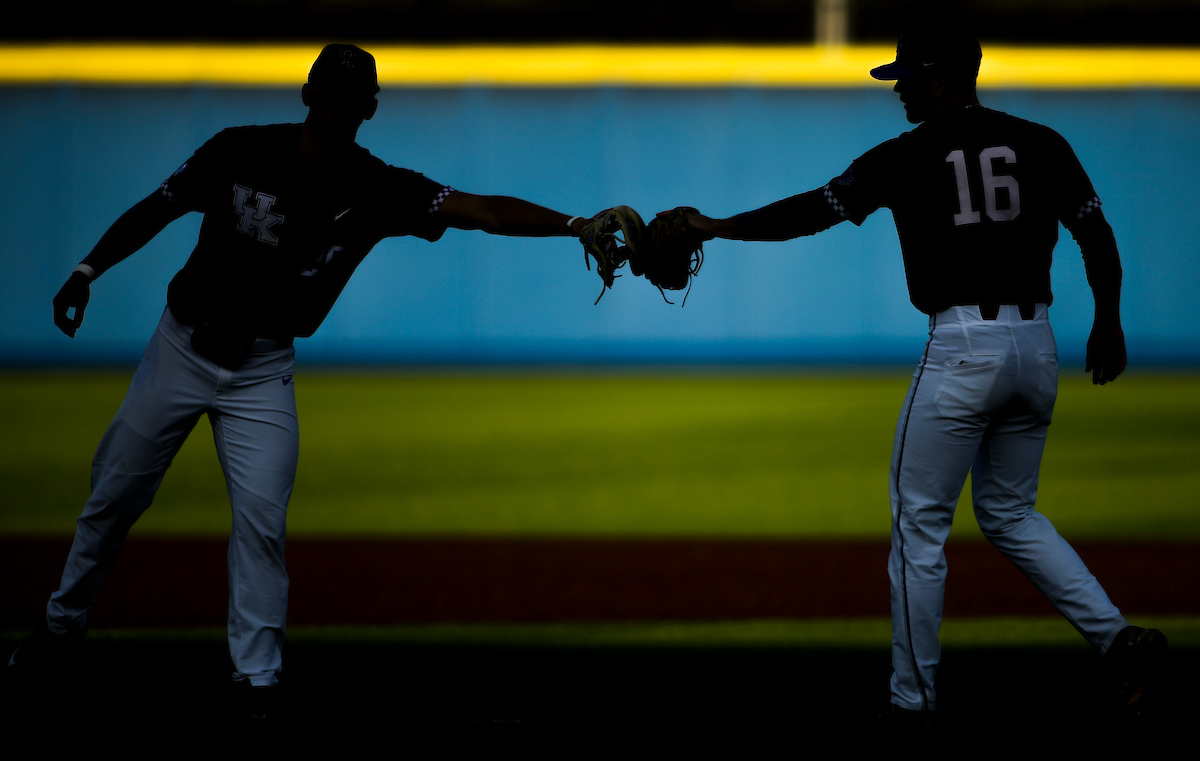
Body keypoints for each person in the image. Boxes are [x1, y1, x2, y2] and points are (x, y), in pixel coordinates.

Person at [7, 44, 598, 719]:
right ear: (308, 92)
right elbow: (159, 206)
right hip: (180, 348)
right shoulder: (239, 149)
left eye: (354, 92)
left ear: (371, 107)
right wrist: (87, 270)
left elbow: (481, 211)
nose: (341, 100)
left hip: (262, 371)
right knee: (113, 497)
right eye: (331, 88)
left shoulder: (377, 186)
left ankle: (257, 679)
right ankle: (59, 631)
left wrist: (575, 225)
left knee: (261, 525)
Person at [663, 20, 1166, 721]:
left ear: (942, 77)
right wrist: (1108, 319)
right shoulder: (1041, 141)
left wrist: (717, 225)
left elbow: (812, 212)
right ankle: (1118, 641)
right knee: (1010, 512)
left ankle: (913, 699)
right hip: (1037, 347)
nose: (899, 91)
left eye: (908, 79)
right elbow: (1095, 234)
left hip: (962, 346)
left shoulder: (908, 154)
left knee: (919, 528)